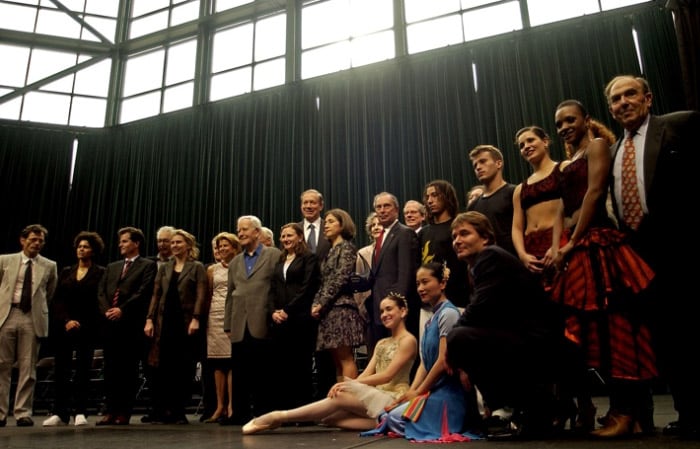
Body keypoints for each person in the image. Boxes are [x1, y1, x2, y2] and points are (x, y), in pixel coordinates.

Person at [551, 99, 657, 438]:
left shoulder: (597, 146)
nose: (564, 126)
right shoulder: (567, 162)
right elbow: (560, 209)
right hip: (579, 246)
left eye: (570, 120)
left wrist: (572, 241)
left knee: (618, 327)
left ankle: (628, 412)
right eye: (559, 123)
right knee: (597, 332)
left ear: (586, 120)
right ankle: (625, 412)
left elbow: (595, 193)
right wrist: (559, 246)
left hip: (599, 243)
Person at [605, 75, 700, 439]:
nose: (623, 102)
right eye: (616, 98)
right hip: (640, 260)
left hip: (684, 252)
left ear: (648, 98)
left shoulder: (681, 125)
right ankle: (689, 413)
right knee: (667, 338)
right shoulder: (614, 151)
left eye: (630, 94)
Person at [446, 212, 583, 439]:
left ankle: (535, 407)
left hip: (544, 347)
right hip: (526, 342)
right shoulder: (480, 265)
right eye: (453, 236)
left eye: (464, 233)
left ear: (486, 238)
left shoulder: (490, 256)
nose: (457, 241)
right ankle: (540, 408)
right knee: (462, 339)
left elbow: (478, 310)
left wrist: (449, 345)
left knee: (458, 339)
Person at [241, 293, 417, 434]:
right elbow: (368, 373)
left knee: (337, 398)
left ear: (403, 311)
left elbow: (388, 375)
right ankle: (382, 422)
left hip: (394, 397)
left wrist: (350, 384)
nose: (384, 315)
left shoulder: (408, 340)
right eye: (382, 311)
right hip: (376, 393)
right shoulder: (382, 343)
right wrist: (349, 386)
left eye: (389, 309)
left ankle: (278, 417)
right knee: (329, 419)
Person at [363, 262, 477, 442]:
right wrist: (414, 391)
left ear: (442, 283)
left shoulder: (448, 314)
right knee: (387, 415)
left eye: (425, 282)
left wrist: (418, 392)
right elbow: (425, 363)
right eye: (418, 284)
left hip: (448, 392)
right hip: (433, 389)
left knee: (394, 418)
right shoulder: (430, 320)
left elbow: (441, 361)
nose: (421, 288)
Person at [144, 229, 207, 424]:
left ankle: (179, 411)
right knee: (163, 367)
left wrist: (196, 318)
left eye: (178, 243)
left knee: (182, 367)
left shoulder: (196, 267)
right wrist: (149, 319)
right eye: (172, 243)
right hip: (164, 322)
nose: (174, 246)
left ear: (188, 245)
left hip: (185, 322)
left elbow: (201, 294)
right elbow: (156, 294)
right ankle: (164, 409)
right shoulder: (165, 267)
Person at [43, 231, 106, 427]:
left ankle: (80, 411)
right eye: (79, 246)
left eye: (86, 246)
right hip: (65, 327)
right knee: (61, 369)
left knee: (83, 370)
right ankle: (60, 412)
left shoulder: (101, 272)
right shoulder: (66, 271)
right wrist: (67, 320)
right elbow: (57, 300)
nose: (81, 249)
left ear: (93, 250)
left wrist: (83, 322)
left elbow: (100, 301)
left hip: (88, 327)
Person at [97, 227, 157, 426]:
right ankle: (110, 410)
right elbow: (101, 292)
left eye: (124, 241)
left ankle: (124, 411)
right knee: (110, 370)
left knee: (128, 371)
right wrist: (108, 309)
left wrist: (122, 309)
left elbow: (143, 292)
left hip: (130, 326)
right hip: (110, 326)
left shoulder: (148, 265)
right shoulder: (112, 267)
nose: (120, 245)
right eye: (120, 241)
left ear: (136, 243)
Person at [224, 215, 281, 424]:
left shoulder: (274, 255)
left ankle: (263, 411)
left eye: (245, 229)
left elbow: (278, 288)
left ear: (257, 232)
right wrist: (227, 324)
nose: (240, 233)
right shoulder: (235, 261)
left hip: (263, 320)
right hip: (239, 322)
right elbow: (231, 293)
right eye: (239, 230)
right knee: (239, 370)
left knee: (263, 370)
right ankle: (239, 413)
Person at [0, 224, 58, 427]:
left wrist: (36, 311)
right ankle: (0, 412)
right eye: (33, 239)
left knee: (28, 367)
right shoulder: (5, 260)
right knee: (2, 365)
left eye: (41, 240)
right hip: (7, 314)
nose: (37, 243)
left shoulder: (50, 265)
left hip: (31, 318)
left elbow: (49, 293)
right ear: (23, 240)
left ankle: (23, 412)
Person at [268, 223, 320, 411]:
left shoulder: (309, 258)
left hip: (300, 319)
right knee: (283, 366)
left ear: (300, 237)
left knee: (301, 365)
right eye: (283, 236)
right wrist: (273, 311)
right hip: (280, 320)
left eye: (289, 235)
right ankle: (285, 409)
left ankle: (302, 410)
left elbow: (307, 288)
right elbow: (273, 289)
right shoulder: (280, 261)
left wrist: (287, 310)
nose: (285, 239)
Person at [311, 209, 365, 381]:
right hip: (329, 310)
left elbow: (340, 278)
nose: (326, 225)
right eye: (325, 222)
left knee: (345, 358)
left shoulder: (347, 248)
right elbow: (324, 281)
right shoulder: (330, 251)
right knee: (337, 361)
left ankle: (349, 398)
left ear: (342, 225)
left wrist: (321, 303)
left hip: (342, 309)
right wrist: (316, 303)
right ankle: (340, 399)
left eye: (331, 221)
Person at [368, 192, 420, 353]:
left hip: (395, 309)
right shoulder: (381, 236)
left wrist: (397, 306)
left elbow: (406, 274)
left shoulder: (404, 233)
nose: (382, 210)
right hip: (380, 307)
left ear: (396, 210)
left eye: (386, 206)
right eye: (378, 207)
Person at [511, 127, 562, 279]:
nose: (526, 146)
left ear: (545, 142)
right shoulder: (520, 189)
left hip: (558, 241)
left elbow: (574, 211)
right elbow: (517, 227)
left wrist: (558, 244)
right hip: (531, 250)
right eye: (521, 145)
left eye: (530, 140)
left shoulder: (563, 169)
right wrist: (522, 255)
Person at [298, 188, 333, 400]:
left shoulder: (330, 230)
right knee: (301, 355)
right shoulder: (294, 231)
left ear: (321, 206)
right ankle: (302, 402)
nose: (308, 206)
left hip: (326, 301)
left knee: (325, 356)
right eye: (305, 203)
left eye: (312, 203)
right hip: (301, 302)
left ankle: (324, 401)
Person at [202, 232, 240, 424]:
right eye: (220, 246)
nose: (222, 249)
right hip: (215, 316)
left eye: (226, 245)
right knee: (217, 363)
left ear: (234, 247)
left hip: (234, 315)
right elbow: (208, 293)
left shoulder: (240, 264)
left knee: (232, 362)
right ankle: (219, 406)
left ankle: (233, 405)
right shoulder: (211, 270)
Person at [466, 145, 517, 256]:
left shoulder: (514, 192)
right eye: (475, 165)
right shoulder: (473, 206)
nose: (478, 167)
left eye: (483, 161)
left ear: (498, 163)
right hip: (484, 265)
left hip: (513, 263)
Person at [354, 212, 382, 325]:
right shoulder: (362, 253)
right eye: (373, 225)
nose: (376, 227)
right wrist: (360, 306)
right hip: (368, 306)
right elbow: (358, 282)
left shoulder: (394, 249)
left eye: (379, 224)